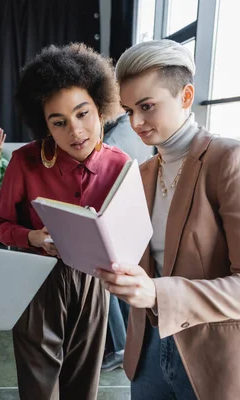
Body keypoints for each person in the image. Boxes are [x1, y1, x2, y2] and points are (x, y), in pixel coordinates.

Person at [96, 39, 240, 400]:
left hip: (217, 357)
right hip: (149, 352)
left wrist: (158, 292)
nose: (136, 122)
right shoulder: (141, 174)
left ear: (186, 97)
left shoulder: (232, 161)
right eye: (128, 110)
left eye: (147, 106)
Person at [0, 43, 129, 400]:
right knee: (38, 389)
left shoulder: (121, 166)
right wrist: (33, 237)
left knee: (83, 387)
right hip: (37, 283)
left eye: (83, 113)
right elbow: (0, 224)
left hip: (94, 284)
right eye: (59, 122)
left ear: (101, 108)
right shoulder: (25, 161)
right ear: (45, 125)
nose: (76, 130)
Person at [101, 112, 153, 372]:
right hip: (138, 217)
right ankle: (128, 343)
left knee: (107, 279)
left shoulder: (113, 139)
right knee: (125, 279)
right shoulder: (139, 134)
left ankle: (118, 347)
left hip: (116, 218)